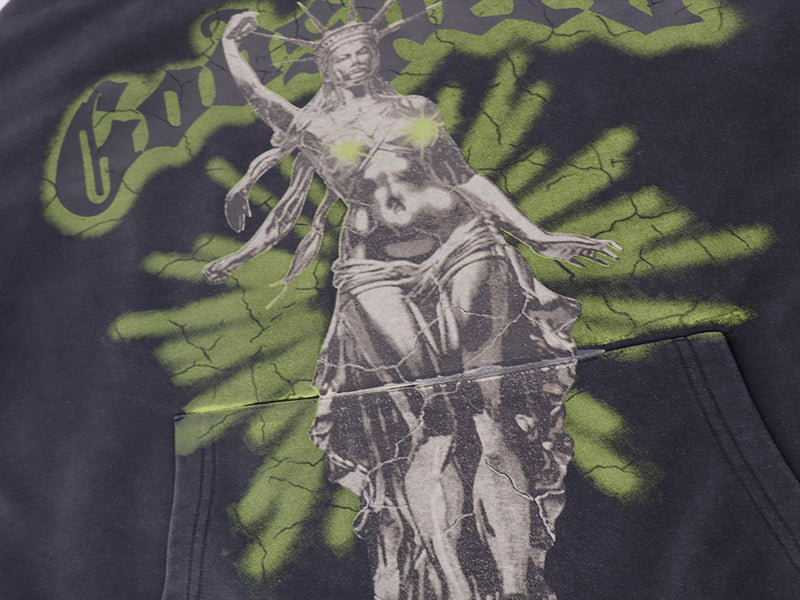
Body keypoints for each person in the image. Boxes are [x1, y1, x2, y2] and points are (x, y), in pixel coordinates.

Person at [202, 5, 620, 599]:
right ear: (327, 66)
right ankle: (454, 584)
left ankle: (516, 583)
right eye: (344, 56)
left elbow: (462, 177)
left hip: (460, 240)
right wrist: (230, 46)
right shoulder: (312, 126)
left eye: (364, 52)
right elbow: (257, 95)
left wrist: (536, 235)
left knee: (487, 406)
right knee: (433, 417)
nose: (356, 61)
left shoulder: (415, 109)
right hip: (374, 266)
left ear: (375, 56)